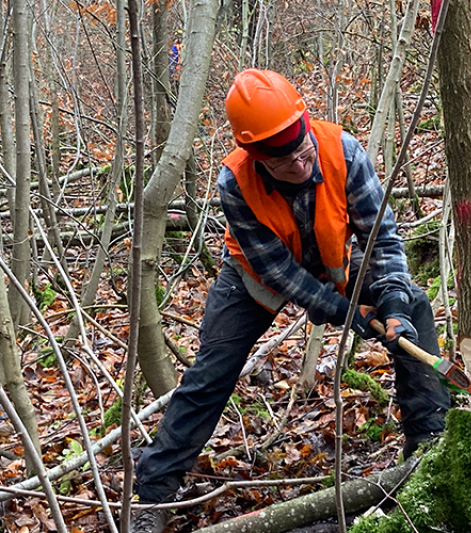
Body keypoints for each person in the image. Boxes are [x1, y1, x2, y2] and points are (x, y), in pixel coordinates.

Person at [131, 68, 450, 533]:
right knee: (210, 375)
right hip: (253, 278)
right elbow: (280, 273)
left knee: (414, 305)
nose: (300, 168)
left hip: (336, 258)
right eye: (284, 164)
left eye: (302, 155)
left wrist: (393, 304)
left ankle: (427, 448)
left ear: (305, 125)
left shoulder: (343, 150)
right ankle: (152, 497)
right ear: (256, 155)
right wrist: (343, 312)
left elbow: (380, 239)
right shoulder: (235, 182)